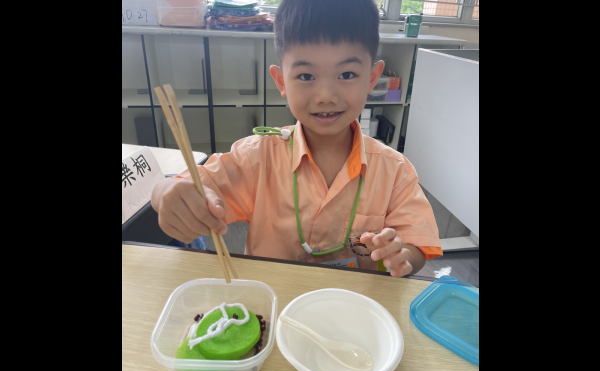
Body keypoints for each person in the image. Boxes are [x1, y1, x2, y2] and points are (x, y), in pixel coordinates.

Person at [151, 0, 442, 277]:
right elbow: (189, 186)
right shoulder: (256, 158)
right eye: (306, 76)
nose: (326, 96)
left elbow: (416, 247)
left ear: (372, 78)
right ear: (281, 81)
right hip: (273, 302)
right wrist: (166, 193)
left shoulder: (395, 171)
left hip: (354, 306)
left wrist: (400, 255)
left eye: (347, 74)